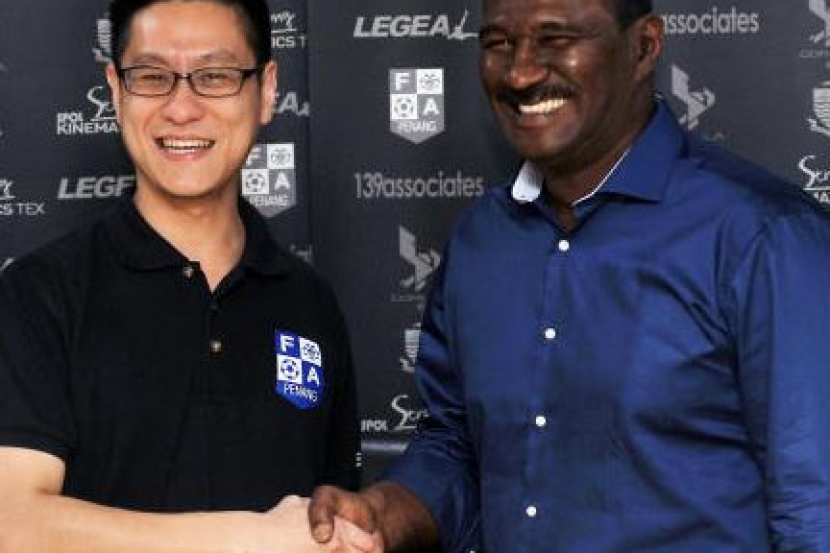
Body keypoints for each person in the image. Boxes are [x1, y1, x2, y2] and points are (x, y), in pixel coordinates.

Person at [308, 0, 830, 551]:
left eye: (556, 39)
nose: (520, 73)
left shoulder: (764, 237)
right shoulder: (481, 241)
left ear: (644, 47)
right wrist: (383, 514)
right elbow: (456, 448)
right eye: (499, 44)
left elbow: (815, 508)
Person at [0, 1, 377, 552]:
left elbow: (330, 521)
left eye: (215, 76)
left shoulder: (310, 302)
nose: (181, 108)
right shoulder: (38, 296)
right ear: (116, 91)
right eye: (152, 77)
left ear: (267, 90)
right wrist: (249, 539)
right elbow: (13, 524)